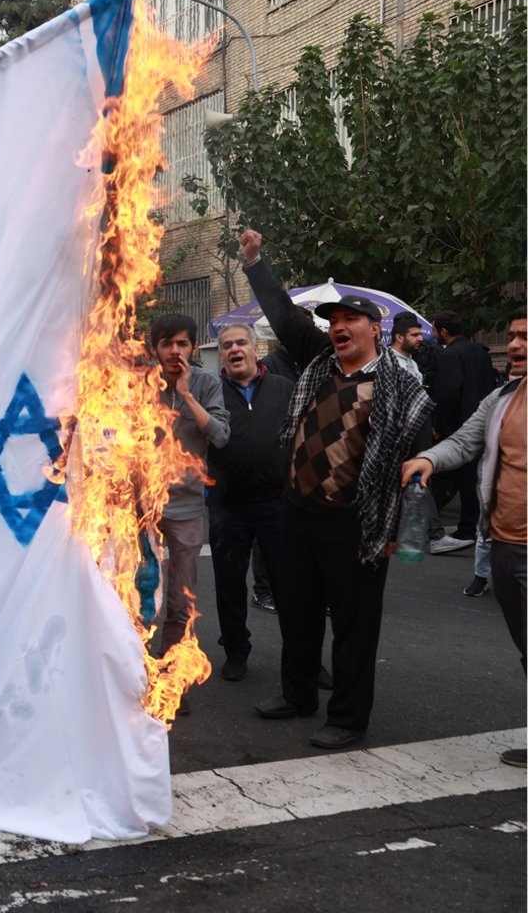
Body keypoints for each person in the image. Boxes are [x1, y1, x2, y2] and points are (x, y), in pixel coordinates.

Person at [240, 229, 433, 750]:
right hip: (299, 512)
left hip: (356, 522)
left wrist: (394, 530)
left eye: (350, 320)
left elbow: (415, 465)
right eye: (333, 321)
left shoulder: (401, 385)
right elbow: (284, 316)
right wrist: (255, 262)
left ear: (375, 329)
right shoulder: (318, 362)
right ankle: (298, 694)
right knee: (298, 612)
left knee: (354, 625)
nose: (339, 327)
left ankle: (348, 717)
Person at [402, 309, 526, 767]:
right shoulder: (503, 398)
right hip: (503, 544)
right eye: (512, 336)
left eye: (525, 337)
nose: (515, 345)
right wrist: (429, 459)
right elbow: (464, 441)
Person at [205, 324, 293, 683]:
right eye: (227, 345)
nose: (234, 349)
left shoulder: (283, 388)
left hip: (277, 502)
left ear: (256, 349)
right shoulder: (212, 391)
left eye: (241, 343)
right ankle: (235, 651)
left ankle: (302, 657)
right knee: (229, 583)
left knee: (291, 586)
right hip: (228, 505)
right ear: (222, 355)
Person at [147, 313, 229, 681]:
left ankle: (170, 680)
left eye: (182, 343)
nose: (175, 351)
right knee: (136, 595)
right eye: (167, 343)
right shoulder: (139, 384)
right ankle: (132, 674)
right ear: (156, 348)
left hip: (186, 507)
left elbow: (221, 436)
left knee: (181, 602)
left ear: (194, 347)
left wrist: (184, 394)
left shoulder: (206, 382)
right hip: (141, 507)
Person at [426, 311, 499, 553]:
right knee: (469, 480)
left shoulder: (450, 354)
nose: (433, 334)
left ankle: (429, 526)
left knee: (441, 476)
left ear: (444, 331)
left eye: (434, 329)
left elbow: (447, 393)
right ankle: (467, 528)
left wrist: (439, 425)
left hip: (457, 427)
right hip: (482, 423)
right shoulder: (480, 352)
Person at [387, 312, 424, 384]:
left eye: (420, 334)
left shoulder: (413, 363)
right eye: (415, 335)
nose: (420, 339)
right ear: (399, 337)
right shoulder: (387, 362)